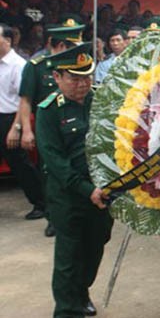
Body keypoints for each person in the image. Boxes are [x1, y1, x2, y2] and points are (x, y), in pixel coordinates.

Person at [36, 43, 113, 318]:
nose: (83, 84)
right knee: (68, 257)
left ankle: (81, 293)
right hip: (68, 196)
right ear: (57, 77)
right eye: (75, 77)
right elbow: (54, 160)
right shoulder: (49, 110)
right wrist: (85, 189)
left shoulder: (101, 101)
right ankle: (67, 309)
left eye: (87, 76)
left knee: (96, 245)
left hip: (103, 193)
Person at [18, 18, 84, 237]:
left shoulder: (78, 64)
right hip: (49, 126)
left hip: (75, 125)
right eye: (70, 46)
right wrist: (25, 130)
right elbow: (26, 100)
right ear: (58, 45)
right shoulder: (36, 66)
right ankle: (53, 216)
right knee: (51, 171)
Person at [0, 23, 46, 220]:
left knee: (20, 163)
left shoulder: (18, 65)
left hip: (11, 118)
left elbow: (24, 100)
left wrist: (16, 127)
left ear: (7, 40)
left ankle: (41, 203)